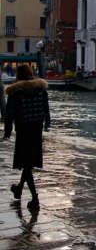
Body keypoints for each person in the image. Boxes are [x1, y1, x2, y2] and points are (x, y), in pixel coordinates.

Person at [3, 64, 50, 211]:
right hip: (36, 130)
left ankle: (35, 199)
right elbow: (46, 108)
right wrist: (47, 123)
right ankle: (18, 189)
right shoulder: (41, 88)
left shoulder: (15, 91)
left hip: (23, 131)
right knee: (28, 164)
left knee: (26, 165)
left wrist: (8, 131)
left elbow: (9, 114)